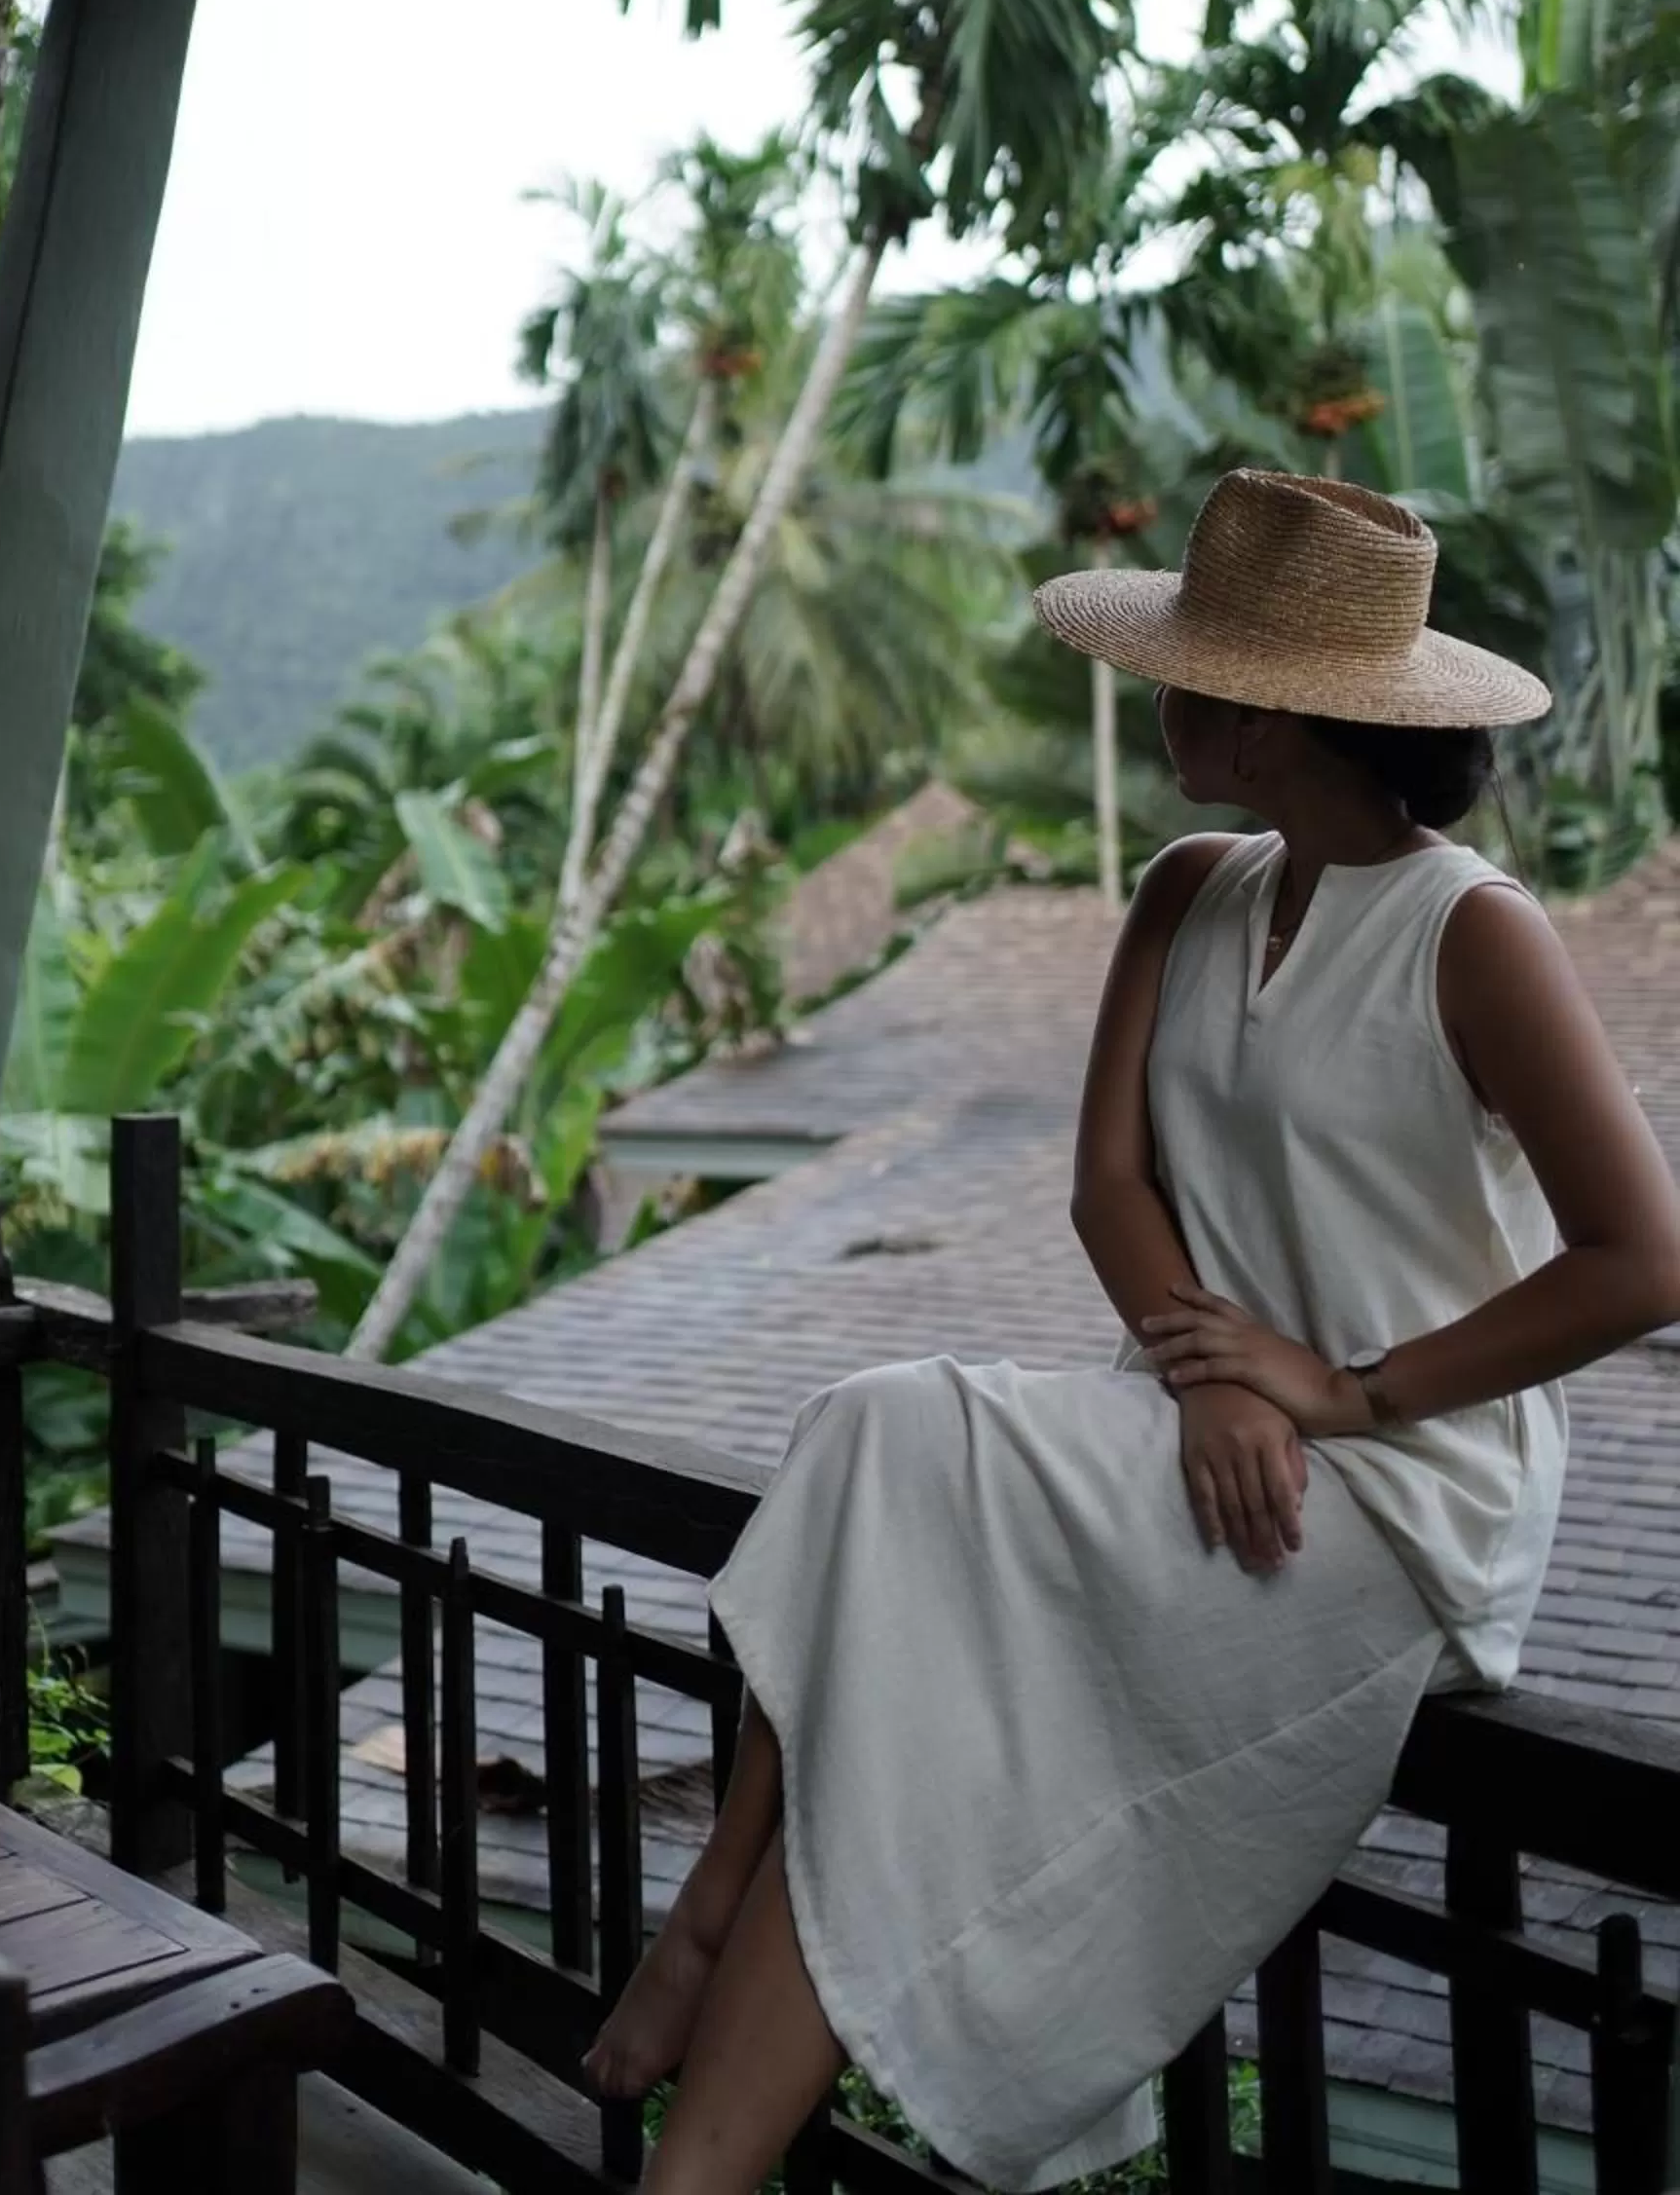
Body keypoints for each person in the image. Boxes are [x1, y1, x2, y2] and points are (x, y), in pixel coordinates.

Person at [582, 470, 1680, 2195]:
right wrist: (1214, 1380)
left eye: (1182, 673)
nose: (1150, 696)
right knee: (883, 1467)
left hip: (1395, 1499)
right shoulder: (1190, 887)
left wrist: (1338, 1392)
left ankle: (710, 1961)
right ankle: (710, 1988)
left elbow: (1643, 1258)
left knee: (894, 1455)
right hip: (1197, 1430)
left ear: (1270, 716)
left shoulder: (1475, 934)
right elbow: (1110, 1185)